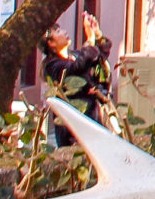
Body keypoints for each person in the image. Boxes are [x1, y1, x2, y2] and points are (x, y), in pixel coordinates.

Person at [42, 13, 114, 145]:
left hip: (92, 117)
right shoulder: (52, 66)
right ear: (51, 43)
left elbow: (97, 56)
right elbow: (78, 67)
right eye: (58, 31)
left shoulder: (74, 55)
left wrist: (97, 34)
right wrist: (90, 40)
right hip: (73, 128)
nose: (64, 32)